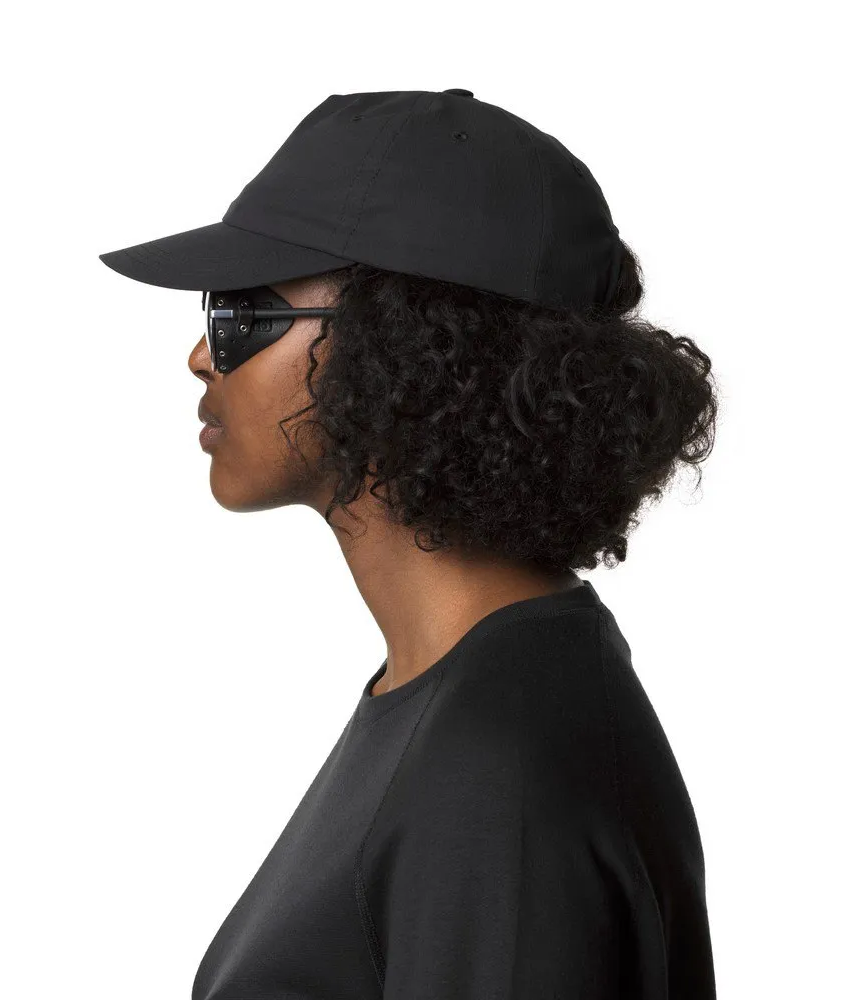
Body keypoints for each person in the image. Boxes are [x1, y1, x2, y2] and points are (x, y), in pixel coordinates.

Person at [100, 88, 718, 999]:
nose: (200, 356)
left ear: (408, 346)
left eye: (239, 313)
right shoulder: (459, 690)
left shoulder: (497, 773)